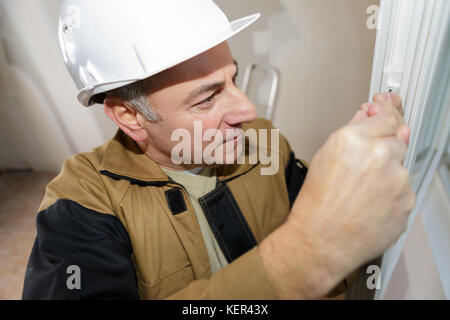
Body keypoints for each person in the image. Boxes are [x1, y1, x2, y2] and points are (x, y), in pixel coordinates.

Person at [22, 0, 415, 299]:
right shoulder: (82, 204)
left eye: (233, 79)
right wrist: (300, 259)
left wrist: (358, 179)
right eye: (206, 98)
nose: (248, 110)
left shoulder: (265, 149)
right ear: (130, 117)